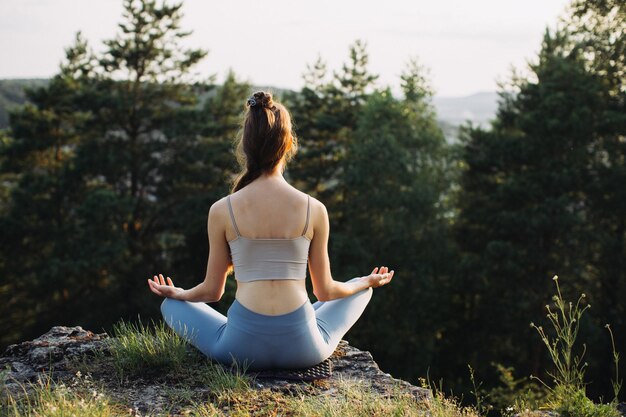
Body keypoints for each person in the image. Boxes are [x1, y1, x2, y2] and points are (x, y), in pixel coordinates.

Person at [147, 90, 395, 371]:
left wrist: (179, 293)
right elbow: (325, 292)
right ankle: (352, 292)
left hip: (239, 350)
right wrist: (365, 282)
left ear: (246, 145)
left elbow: (211, 292)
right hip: (303, 349)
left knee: (170, 306)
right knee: (359, 290)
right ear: (288, 144)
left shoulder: (221, 209)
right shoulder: (314, 208)